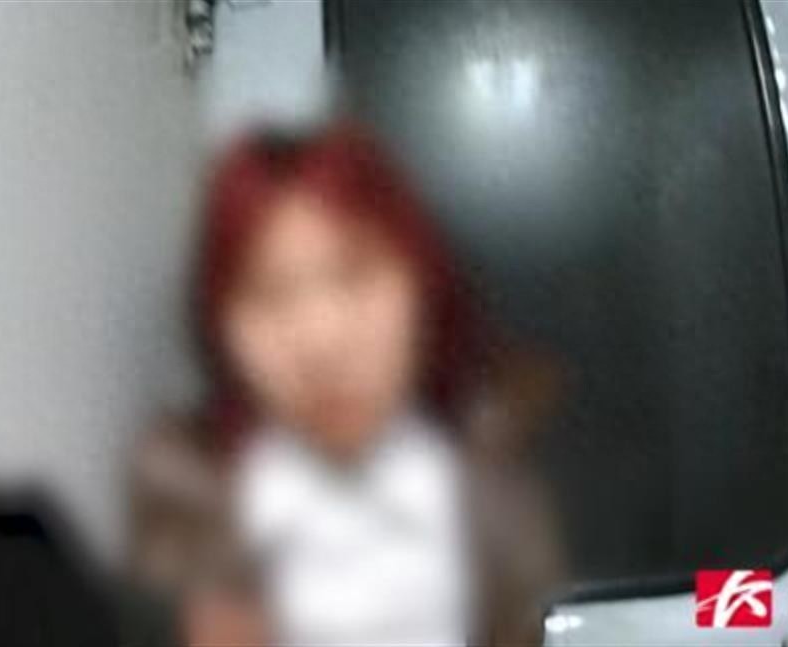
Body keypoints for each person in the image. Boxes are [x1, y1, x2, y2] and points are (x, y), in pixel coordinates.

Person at [129, 123, 563, 646]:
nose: (322, 340)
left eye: (354, 274)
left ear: (423, 287)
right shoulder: (195, 505)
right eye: (269, 293)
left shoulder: (491, 491)